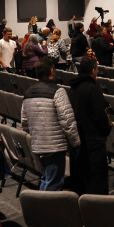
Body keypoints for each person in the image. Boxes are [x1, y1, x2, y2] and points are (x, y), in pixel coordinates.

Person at [21, 61, 81, 191]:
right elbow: (67, 121)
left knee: (46, 178)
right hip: (54, 146)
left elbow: (24, 122)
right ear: (52, 71)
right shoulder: (58, 91)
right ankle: (44, 205)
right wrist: (75, 142)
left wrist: (37, 136)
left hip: (38, 144)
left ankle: (41, 203)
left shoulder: (28, 92)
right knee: (53, 183)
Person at [65, 57, 112, 195]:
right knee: (95, 184)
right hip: (93, 143)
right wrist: (105, 131)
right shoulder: (93, 89)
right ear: (93, 71)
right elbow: (100, 117)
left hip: (77, 141)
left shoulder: (72, 88)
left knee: (81, 182)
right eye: (97, 69)